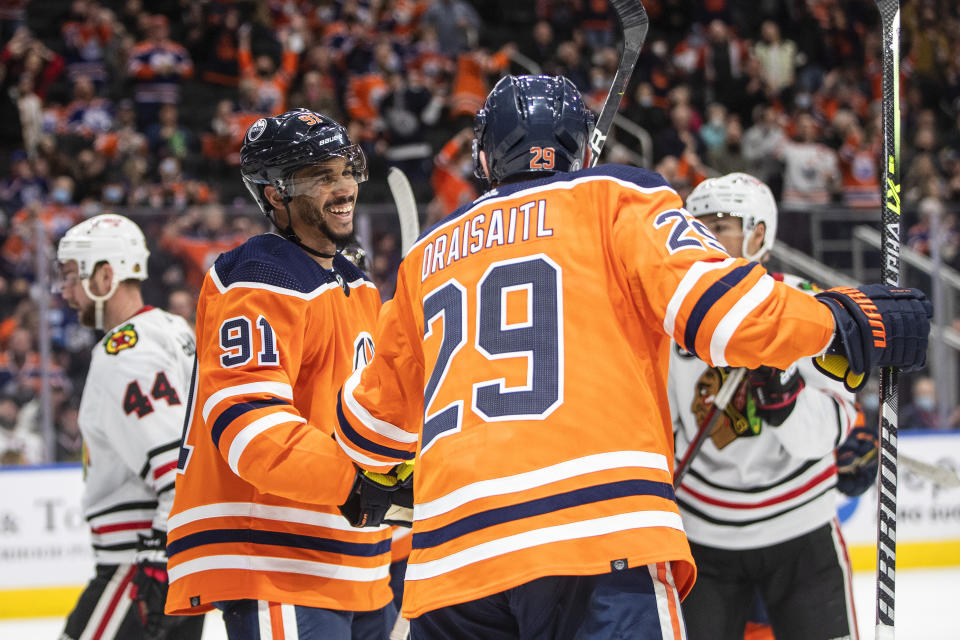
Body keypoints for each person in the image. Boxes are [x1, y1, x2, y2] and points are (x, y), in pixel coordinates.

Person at [331, 74, 930, 638]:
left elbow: (369, 429)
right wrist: (847, 318)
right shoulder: (618, 195)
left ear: (484, 159)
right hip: (598, 535)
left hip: (454, 562)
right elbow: (727, 313)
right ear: (579, 148)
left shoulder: (426, 256)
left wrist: (388, 478)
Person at [165, 108, 403, 639]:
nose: (343, 188)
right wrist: (357, 483)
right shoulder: (258, 279)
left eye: (345, 170)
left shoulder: (357, 285)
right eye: (322, 177)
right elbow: (249, 425)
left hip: (355, 562)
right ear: (275, 195)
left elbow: (370, 412)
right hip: (277, 557)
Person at [670, 172, 878, 640]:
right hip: (703, 534)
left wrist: (785, 402)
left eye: (720, 224)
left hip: (800, 525)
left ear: (758, 234)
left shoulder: (808, 307)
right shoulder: (669, 318)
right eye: (697, 225)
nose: (706, 237)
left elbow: (829, 425)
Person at [55, 213, 202, 640]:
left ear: (104, 276)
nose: (64, 292)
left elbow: (177, 467)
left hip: (138, 562)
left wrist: (157, 558)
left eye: (69, 276)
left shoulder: (124, 352)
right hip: (178, 557)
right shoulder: (174, 329)